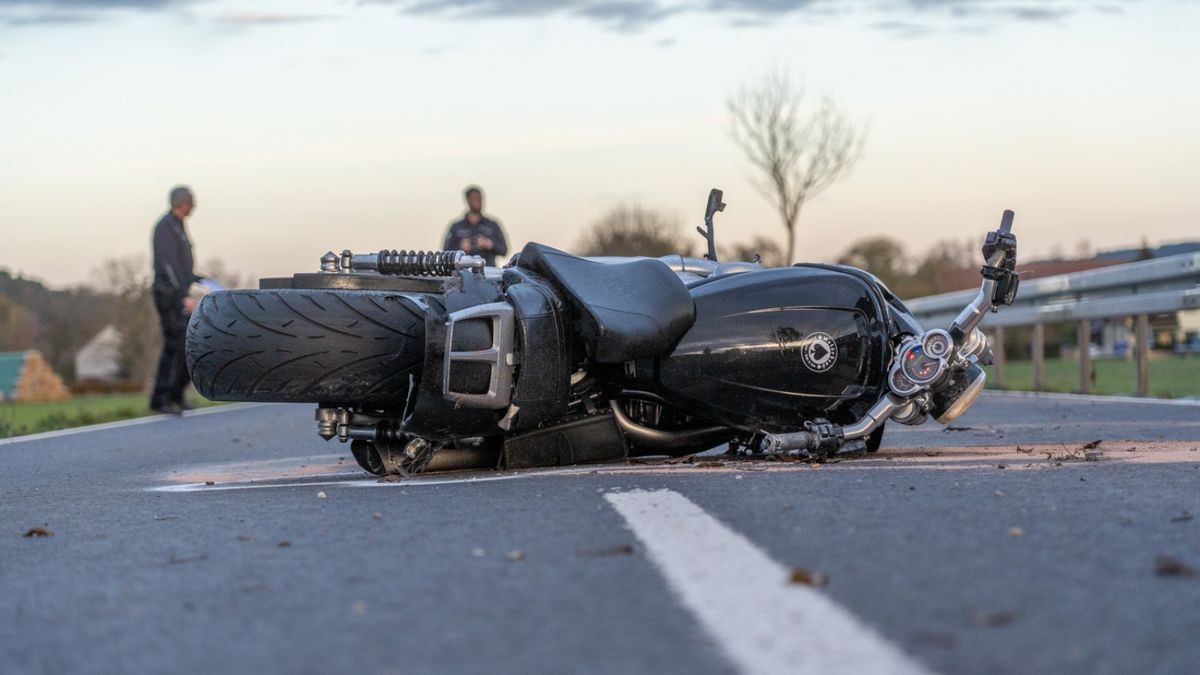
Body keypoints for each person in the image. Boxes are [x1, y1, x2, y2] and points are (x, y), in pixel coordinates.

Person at [150, 186, 200, 415]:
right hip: (168, 295)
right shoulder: (165, 227)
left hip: (179, 292)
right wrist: (183, 297)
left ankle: (176, 394)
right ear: (183, 203)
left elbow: (181, 266)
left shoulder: (178, 226)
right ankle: (161, 398)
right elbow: (169, 267)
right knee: (175, 345)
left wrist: (199, 279)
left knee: (187, 344)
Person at [442, 185, 508, 266]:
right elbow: (445, 252)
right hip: (463, 274)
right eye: (474, 199)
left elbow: (504, 250)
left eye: (479, 198)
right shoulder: (456, 227)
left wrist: (489, 244)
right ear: (467, 200)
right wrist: (460, 248)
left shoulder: (492, 225)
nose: (478, 201)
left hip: (487, 274)